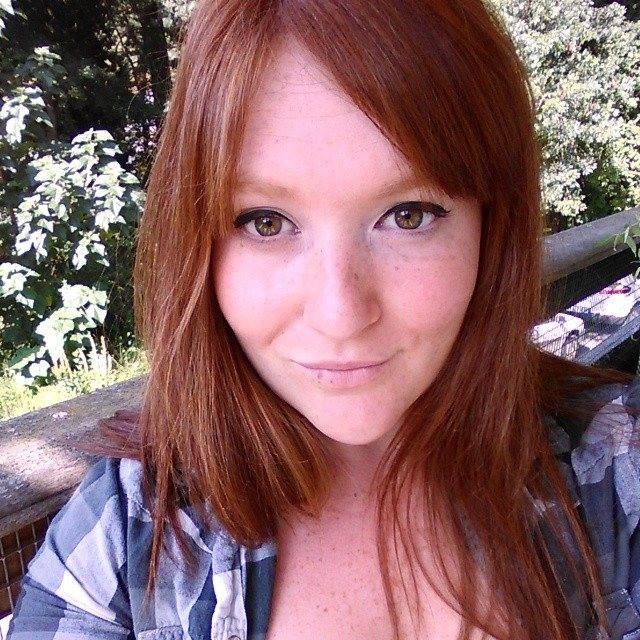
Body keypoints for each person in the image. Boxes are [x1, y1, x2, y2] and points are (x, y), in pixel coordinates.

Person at [7, 1, 640, 639]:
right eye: (265, 222)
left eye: (408, 215)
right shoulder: (124, 540)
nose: (341, 315)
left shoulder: (617, 477)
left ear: (491, 227)